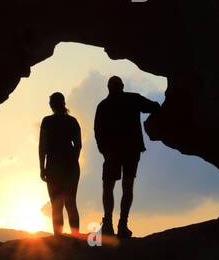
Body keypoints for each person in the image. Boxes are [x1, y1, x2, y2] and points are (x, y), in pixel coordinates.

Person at [93, 76, 161, 239]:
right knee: (127, 186)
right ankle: (122, 224)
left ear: (108, 88)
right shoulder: (133, 99)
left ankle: (108, 223)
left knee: (108, 186)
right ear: (122, 86)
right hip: (131, 149)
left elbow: (97, 131)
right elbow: (155, 107)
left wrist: (104, 150)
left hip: (112, 151)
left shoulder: (103, 105)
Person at [38, 92, 82, 236]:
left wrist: (41, 167)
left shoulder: (47, 121)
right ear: (63, 103)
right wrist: (73, 161)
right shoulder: (72, 121)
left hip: (53, 166)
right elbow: (78, 145)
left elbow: (42, 146)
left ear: (51, 105)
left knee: (56, 205)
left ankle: (58, 238)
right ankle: (75, 237)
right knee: (71, 204)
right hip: (71, 166)